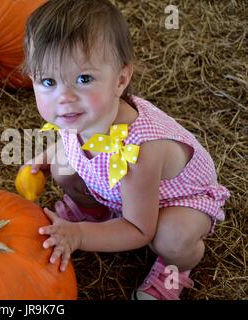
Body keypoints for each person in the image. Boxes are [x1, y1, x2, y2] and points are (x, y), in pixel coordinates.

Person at [20, 0, 230, 300]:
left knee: (170, 238)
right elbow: (66, 140)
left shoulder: (138, 151)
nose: (63, 97)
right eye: (48, 81)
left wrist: (78, 237)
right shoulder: (82, 113)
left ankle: (175, 272)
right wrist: (45, 158)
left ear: (120, 80)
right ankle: (96, 211)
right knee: (62, 164)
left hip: (176, 201)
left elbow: (139, 229)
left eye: (83, 79)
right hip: (126, 191)